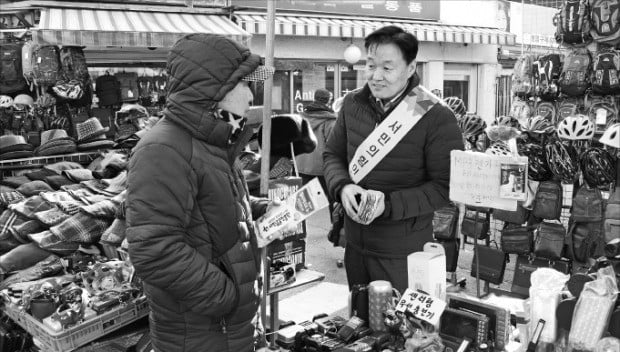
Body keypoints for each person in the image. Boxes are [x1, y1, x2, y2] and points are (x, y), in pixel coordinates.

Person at [126, 34, 294, 352]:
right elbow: (153, 249)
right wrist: (226, 297)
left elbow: (214, 208)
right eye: (243, 84)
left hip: (225, 327)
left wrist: (261, 208)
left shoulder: (212, 141)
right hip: (202, 330)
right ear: (213, 88)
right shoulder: (163, 148)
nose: (250, 94)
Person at [323, 26, 464, 299]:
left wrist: (387, 206)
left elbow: (444, 187)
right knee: (360, 322)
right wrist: (342, 187)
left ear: (410, 68)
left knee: (400, 331)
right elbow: (332, 156)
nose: (376, 76)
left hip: (404, 251)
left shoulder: (436, 115)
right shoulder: (352, 104)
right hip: (355, 244)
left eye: (387, 68)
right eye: (370, 65)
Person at [295, 88, 336, 194]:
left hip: (300, 166)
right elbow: (334, 146)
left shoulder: (301, 117)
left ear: (315, 98)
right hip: (321, 170)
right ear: (328, 101)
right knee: (324, 202)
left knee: (305, 201)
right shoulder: (330, 121)